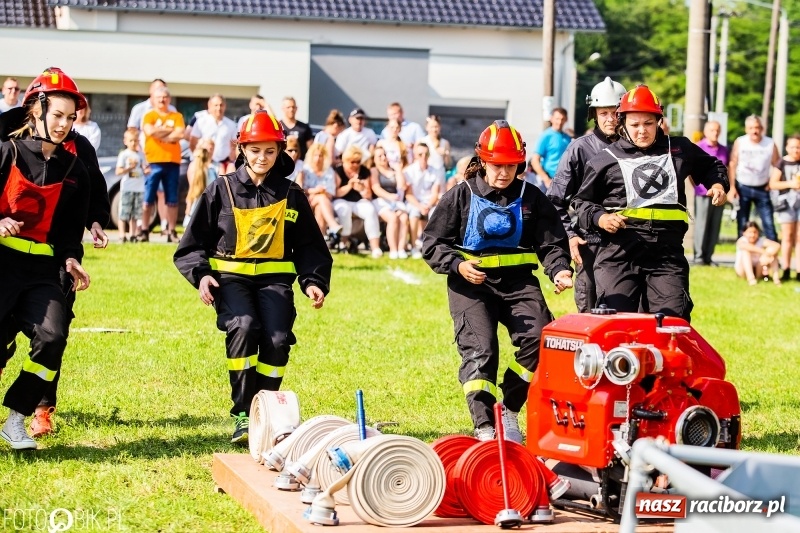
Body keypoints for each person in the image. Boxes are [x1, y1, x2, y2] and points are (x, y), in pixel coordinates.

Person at [173, 111, 332, 444]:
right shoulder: (220, 190)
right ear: (242, 149)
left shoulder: (291, 194)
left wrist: (313, 281)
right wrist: (202, 276)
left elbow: (310, 246)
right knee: (244, 327)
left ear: (280, 151)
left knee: (277, 340)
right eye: (255, 150)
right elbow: (191, 245)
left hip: (276, 283)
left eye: (270, 151)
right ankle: (244, 414)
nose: (262, 157)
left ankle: (266, 412)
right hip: (230, 282)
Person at [421, 120, 574, 443]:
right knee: (482, 351)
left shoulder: (532, 198)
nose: (504, 173)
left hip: (519, 284)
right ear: (483, 162)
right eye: (497, 165)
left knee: (541, 341)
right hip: (471, 286)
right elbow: (432, 244)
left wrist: (560, 269)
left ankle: (509, 408)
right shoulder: (460, 195)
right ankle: (485, 427)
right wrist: (458, 265)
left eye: (511, 166)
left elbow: (551, 243)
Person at [0, 68, 110, 439]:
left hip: (45, 268)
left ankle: (22, 416)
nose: (64, 124)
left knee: (52, 336)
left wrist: (72, 255)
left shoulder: (75, 166)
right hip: (3, 263)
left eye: (71, 117)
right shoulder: (7, 150)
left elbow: (69, 226)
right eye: (58, 115)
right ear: (37, 111)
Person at [573, 85, 728, 321]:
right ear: (622, 123)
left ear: (659, 121)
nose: (642, 131)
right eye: (635, 125)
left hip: (666, 256)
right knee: (617, 322)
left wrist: (717, 185)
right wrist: (601, 218)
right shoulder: (604, 159)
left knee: (671, 323)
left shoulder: (679, 149)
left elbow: (711, 166)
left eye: (648, 123)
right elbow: (582, 202)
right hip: (619, 254)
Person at [548, 76, 626, 312]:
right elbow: (554, 200)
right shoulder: (579, 149)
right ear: (594, 114)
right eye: (604, 113)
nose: (610, 119)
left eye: (616, 113)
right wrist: (570, 236)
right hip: (590, 242)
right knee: (591, 311)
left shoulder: (637, 149)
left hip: (627, 244)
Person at [141, 86, 184, 243]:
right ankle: (144, 230)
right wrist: (169, 131)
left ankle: (171, 231)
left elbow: (180, 133)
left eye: (165, 97)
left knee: (172, 198)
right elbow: (149, 131)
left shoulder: (177, 116)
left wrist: (159, 132)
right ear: (153, 99)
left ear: (169, 99)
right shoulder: (149, 115)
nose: (162, 100)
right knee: (148, 198)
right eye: (159, 97)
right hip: (153, 161)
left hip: (172, 161)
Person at [728, 115, 780, 241]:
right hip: (742, 186)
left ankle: (772, 250)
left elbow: (777, 165)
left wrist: (772, 182)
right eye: (751, 128)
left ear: (762, 128)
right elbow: (733, 164)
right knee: (742, 222)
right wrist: (732, 187)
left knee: (768, 222)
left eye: (757, 127)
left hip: (762, 187)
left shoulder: (770, 143)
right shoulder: (740, 142)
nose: (754, 131)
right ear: (746, 129)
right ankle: (743, 251)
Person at [333, 145, 383, 257]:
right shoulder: (339, 171)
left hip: (359, 201)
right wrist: (349, 186)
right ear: (345, 161)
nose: (355, 164)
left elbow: (368, 195)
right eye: (352, 162)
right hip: (341, 200)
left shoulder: (364, 171)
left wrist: (362, 189)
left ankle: (375, 247)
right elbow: (335, 193)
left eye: (358, 161)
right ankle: (343, 243)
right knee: (344, 210)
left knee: (370, 210)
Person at [693, 120, 730, 265]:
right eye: (712, 130)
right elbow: (692, 171)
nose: (715, 133)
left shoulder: (724, 149)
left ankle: (709, 256)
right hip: (703, 192)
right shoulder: (698, 147)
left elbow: (726, 170)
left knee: (715, 225)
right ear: (705, 131)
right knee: (701, 224)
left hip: (719, 193)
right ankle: (699, 256)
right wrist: (697, 187)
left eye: (717, 130)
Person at [769, 134, 800, 281]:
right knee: (787, 236)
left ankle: (799, 271)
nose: (796, 150)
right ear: (787, 148)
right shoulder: (782, 163)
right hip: (786, 203)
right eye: (793, 147)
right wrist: (790, 184)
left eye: (798, 147)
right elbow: (773, 183)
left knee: (799, 237)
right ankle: (786, 269)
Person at [371, 145, 409, 259]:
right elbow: (376, 188)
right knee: (393, 218)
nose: (383, 157)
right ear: (374, 159)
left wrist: (398, 170)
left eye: (384, 155)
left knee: (404, 217)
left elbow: (402, 186)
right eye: (380, 156)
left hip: (395, 201)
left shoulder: (393, 170)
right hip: (380, 201)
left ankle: (401, 249)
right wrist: (389, 196)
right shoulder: (374, 170)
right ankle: (393, 249)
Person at [404, 142, 440, 258]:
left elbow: (435, 193)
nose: (423, 157)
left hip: (429, 202)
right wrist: (420, 206)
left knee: (436, 213)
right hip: (414, 202)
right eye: (420, 154)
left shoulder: (435, 171)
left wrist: (428, 206)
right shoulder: (409, 171)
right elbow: (408, 194)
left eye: (426, 154)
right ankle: (414, 246)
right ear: (415, 155)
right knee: (414, 213)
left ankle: (432, 246)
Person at [301, 142, 342, 239]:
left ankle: (319, 239)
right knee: (321, 197)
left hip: (324, 201)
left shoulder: (329, 171)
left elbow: (331, 193)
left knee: (320, 207)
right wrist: (315, 191)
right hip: (307, 201)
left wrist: (320, 192)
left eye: (320, 155)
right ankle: (332, 225)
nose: (318, 158)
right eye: (315, 155)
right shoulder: (305, 170)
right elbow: (301, 189)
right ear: (311, 156)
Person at [189, 94, 238, 175]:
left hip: (223, 164)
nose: (219, 108)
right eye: (216, 105)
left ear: (225, 106)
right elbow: (192, 142)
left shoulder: (231, 125)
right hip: (203, 163)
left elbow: (234, 145)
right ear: (210, 106)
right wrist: (199, 158)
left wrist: (231, 160)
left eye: (221, 105)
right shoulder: (200, 122)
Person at [115, 128, 149, 242]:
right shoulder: (124, 154)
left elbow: (145, 167)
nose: (134, 143)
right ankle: (122, 235)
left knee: (135, 214)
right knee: (124, 212)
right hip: (127, 187)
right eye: (131, 141)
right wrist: (129, 168)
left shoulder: (141, 155)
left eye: (135, 140)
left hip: (139, 188)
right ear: (125, 141)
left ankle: (132, 234)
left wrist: (146, 170)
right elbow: (118, 171)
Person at [530, 107, 571, 191]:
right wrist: (546, 179)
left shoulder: (568, 138)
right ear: (551, 119)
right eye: (557, 119)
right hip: (548, 181)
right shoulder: (546, 136)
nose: (559, 122)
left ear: (566, 120)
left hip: (564, 181)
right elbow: (535, 160)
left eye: (562, 119)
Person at [183, 139, 218, 227]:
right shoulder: (203, 169)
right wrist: (188, 207)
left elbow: (192, 190)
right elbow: (192, 188)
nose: (210, 151)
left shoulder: (211, 168)